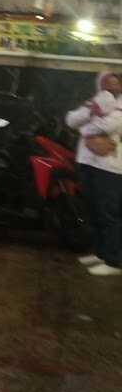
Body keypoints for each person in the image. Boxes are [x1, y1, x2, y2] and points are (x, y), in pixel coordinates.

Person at [66, 72, 122, 276]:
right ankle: (100, 253)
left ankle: (114, 261)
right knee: (95, 212)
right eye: (106, 85)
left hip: (110, 168)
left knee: (109, 214)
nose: (111, 88)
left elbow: (111, 125)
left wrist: (86, 126)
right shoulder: (94, 102)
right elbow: (71, 119)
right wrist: (92, 112)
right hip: (87, 163)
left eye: (116, 84)